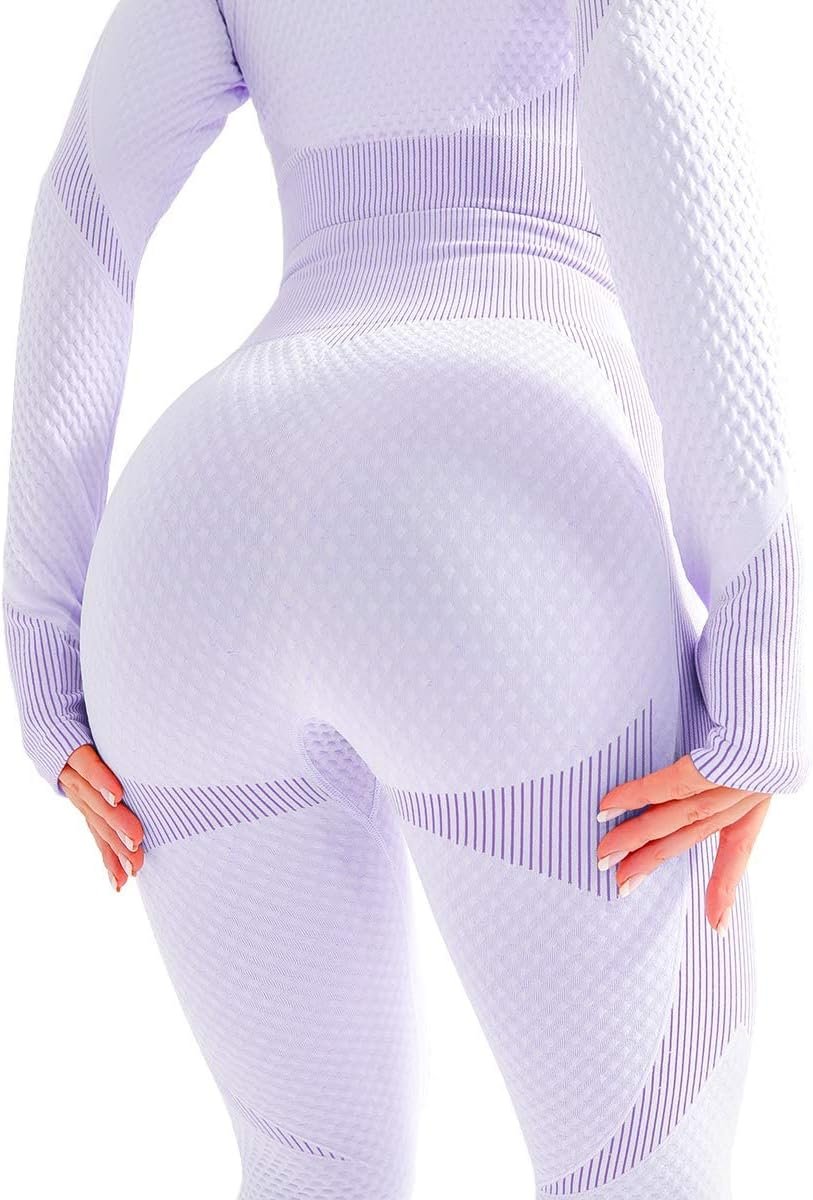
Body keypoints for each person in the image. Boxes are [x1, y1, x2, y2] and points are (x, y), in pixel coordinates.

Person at [3, 1, 807, 1196]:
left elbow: (86, 204)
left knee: (310, 1172)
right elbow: (672, 134)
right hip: (497, 482)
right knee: (647, 1169)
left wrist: (42, 652)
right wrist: (764, 662)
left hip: (196, 523)